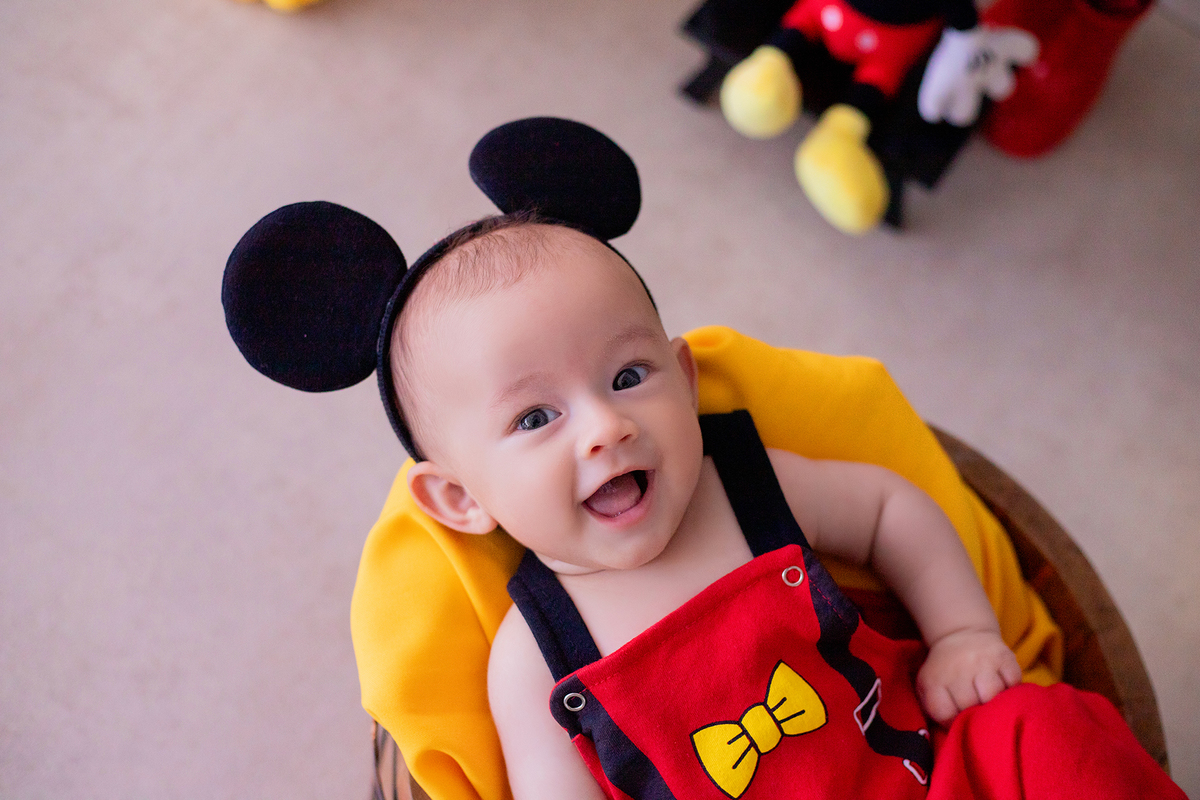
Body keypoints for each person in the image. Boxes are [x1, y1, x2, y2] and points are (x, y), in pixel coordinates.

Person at [381, 213, 1181, 800]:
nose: (605, 427)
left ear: (686, 382)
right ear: (458, 499)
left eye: (628, 377)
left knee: (1045, 730)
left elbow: (888, 509)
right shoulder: (534, 651)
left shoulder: (744, 487)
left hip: (938, 776)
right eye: (535, 418)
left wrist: (962, 634)